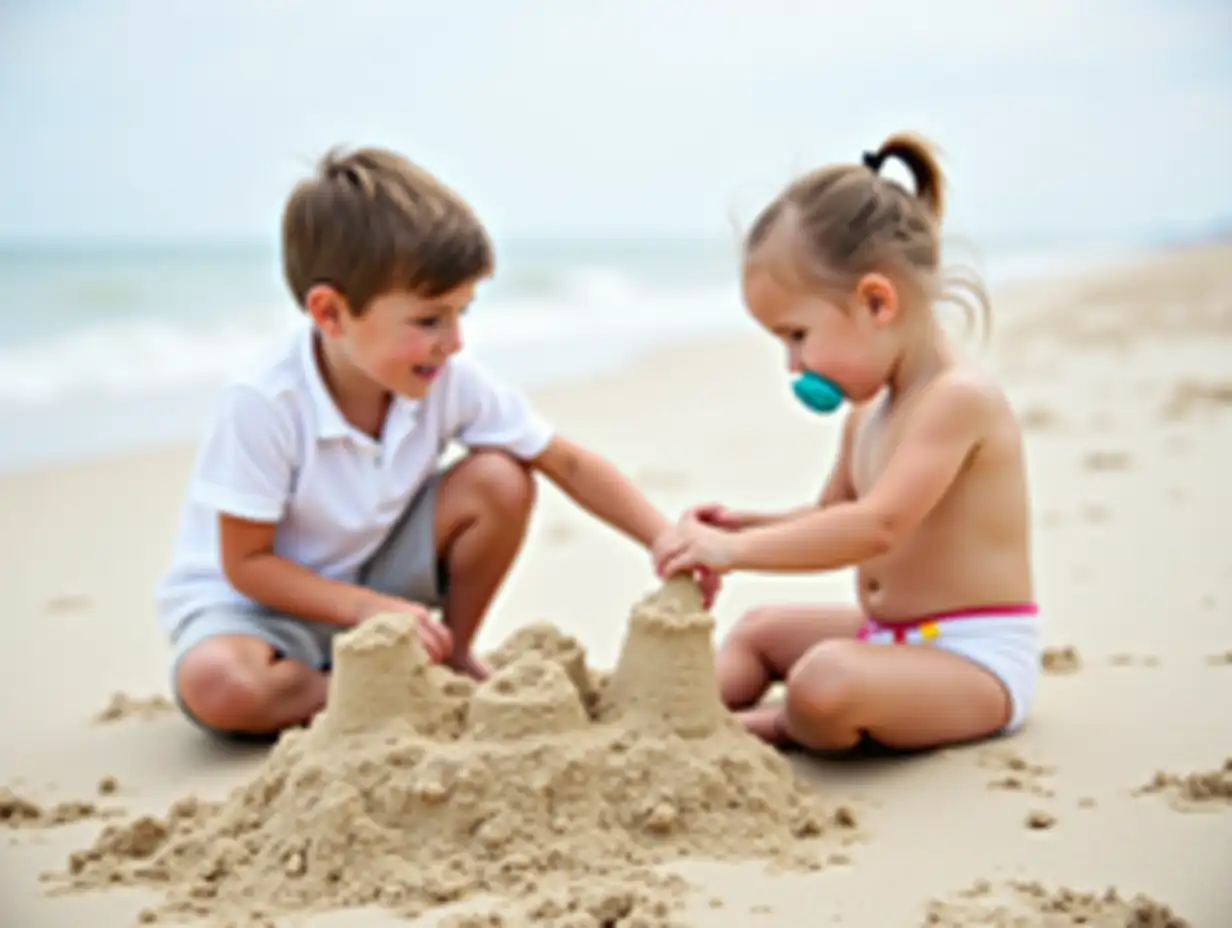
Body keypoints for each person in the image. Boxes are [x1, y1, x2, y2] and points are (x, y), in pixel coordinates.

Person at [156, 145, 714, 742]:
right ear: (331, 313)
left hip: (380, 586)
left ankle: (452, 655)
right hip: (258, 612)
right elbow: (247, 565)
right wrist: (367, 612)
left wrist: (665, 540)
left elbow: (566, 463)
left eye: (461, 313)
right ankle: (390, 685)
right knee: (223, 687)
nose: (453, 342)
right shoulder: (265, 403)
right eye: (429, 321)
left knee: (502, 476)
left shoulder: (446, 381)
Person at [652, 132, 1039, 753]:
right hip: (892, 635)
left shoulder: (957, 400)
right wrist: (741, 525)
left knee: (824, 680)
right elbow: (832, 516)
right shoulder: (871, 412)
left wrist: (733, 551)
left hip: (975, 661)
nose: (792, 363)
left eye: (797, 335)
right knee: (758, 632)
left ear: (876, 302)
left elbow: (877, 526)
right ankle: (671, 707)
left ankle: (766, 727)